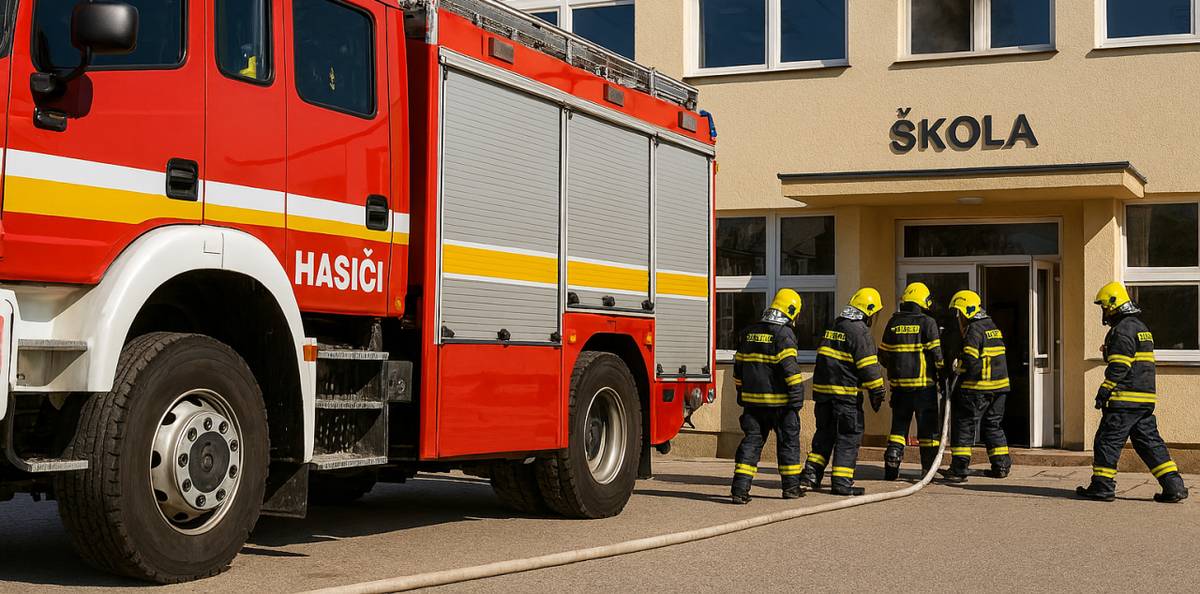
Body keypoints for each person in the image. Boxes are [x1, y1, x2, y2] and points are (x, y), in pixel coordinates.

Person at [1077, 282, 1188, 503]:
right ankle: (1174, 486)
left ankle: (1102, 486)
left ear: (1113, 304)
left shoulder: (1121, 330)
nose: (1104, 311)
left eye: (1104, 307)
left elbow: (1120, 367)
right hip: (1144, 399)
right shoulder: (1140, 327)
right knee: (1149, 443)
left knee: (1107, 441)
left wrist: (1104, 390)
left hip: (1125, 400)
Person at [798, 288, 886, 496]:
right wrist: (877, 391)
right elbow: (868, 367)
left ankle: (810, 476)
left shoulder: (834, 326)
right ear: (869, 311)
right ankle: (842, 482)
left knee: (824, 436)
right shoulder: (860, 332)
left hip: (823, 397)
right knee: (849, 437)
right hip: (846, 398)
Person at [730, 289, 807, 504]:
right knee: (788, 444)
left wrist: (741, 394)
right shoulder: (783, 334)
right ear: (791, 311)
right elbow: (790, 371)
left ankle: (739, 490)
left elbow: (738, 370)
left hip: (753, 404)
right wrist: (796, 401)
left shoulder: (749, 332)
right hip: (780, 405)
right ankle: (791, 488)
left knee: (751, 444)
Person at [939, 290, 1011, 483]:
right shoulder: (992, 326)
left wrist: (957, 366)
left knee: (964, 425)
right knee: (993, 425)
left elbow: (971, 361)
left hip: (977, 389)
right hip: (1000, 388)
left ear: (965, 312)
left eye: (959, 314)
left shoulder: (974, 329)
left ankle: (959, 469)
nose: (958, 318)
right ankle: (1001, 465)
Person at [879, 282, 945, 480]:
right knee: (927, 431)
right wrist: (942, 374)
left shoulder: (893, 323)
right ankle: (928, 471)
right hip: (924, 386)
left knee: (899, 427)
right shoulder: (927, 322)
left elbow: (882, 355)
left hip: (899, 388)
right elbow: (937, 355)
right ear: (922, 301)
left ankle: (891, 466)